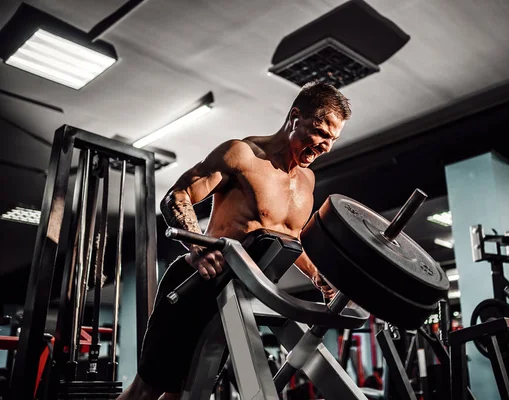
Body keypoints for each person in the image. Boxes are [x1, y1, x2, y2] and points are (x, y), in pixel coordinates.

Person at [117, 81, 352, 400]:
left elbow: (292, 238)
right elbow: (178, 195)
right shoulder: (243, 155)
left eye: (333, 140)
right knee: (147, 390)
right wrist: (198, 245)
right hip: (196, 284)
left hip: (241, 299)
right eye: (321, 133)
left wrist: (318, 276)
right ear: (295, 116)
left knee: (188, 393)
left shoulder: (306, 181)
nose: (326, 146)